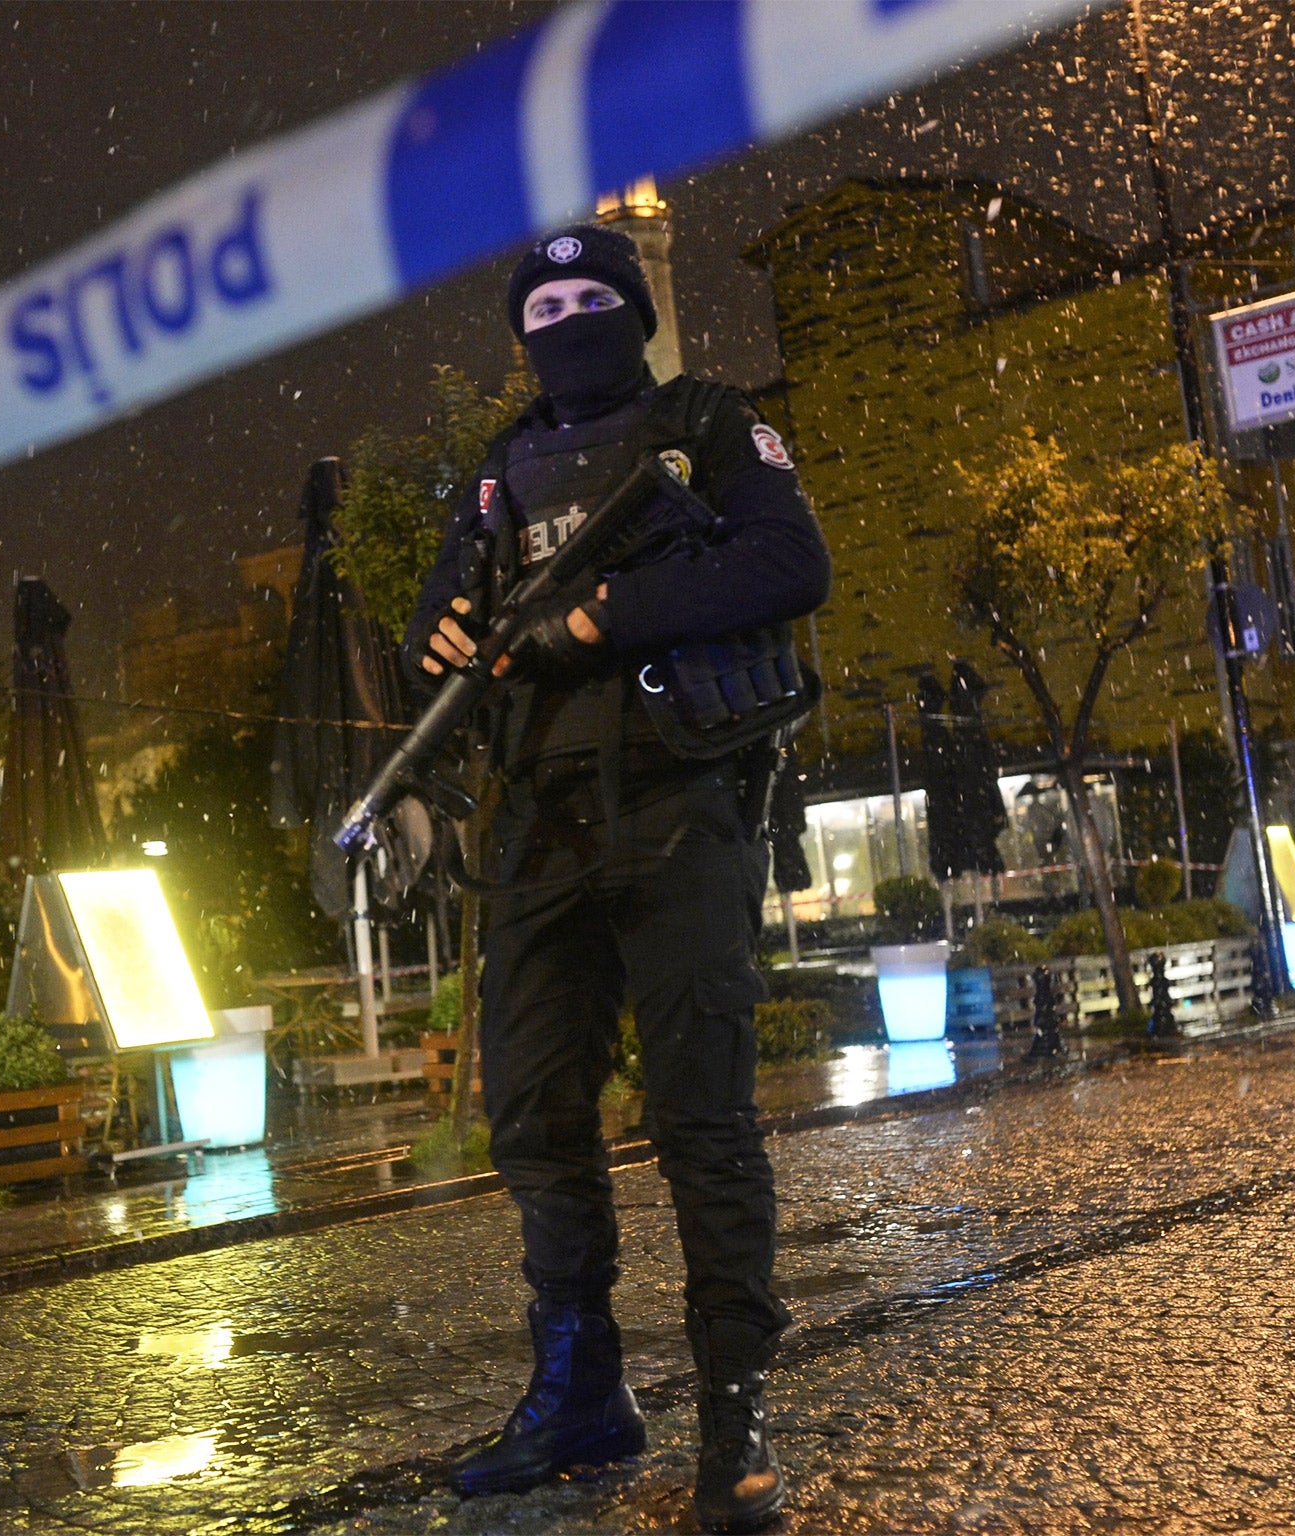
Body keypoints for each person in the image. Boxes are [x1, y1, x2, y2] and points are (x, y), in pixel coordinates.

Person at [401, 223, 831, 1533]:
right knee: (533, 1112)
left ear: (636, 315)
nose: (570, 319)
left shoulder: (702, 423)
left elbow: (787, 561)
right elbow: (438, 627)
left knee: (701, 1117)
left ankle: (736, 1416)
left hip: (678, 802)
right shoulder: (496, 474)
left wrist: (601, 617)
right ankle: (579, 1388)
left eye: (596, 298)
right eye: (547, 303)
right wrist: (442, 636)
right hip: (538, 821)